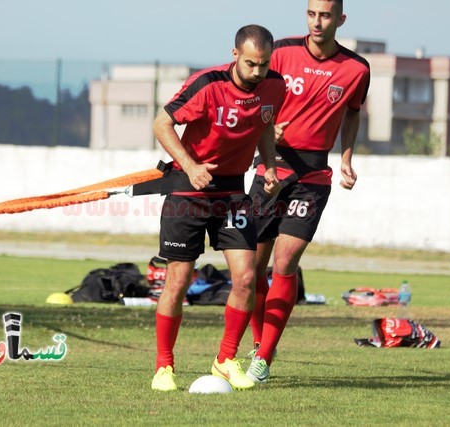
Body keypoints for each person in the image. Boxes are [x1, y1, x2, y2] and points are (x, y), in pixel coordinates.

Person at [150, 24, 285, 391]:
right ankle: (164, 366)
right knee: (177, 281)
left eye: (264, 64)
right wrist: (191, 166)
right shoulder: (207, 85)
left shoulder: (275, 85)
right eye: (251, 64)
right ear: (234, 55)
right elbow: (161, 123)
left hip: (232, 193)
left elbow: (263, 128)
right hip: (188, 191)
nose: (258, 72)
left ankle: (225, 359)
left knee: (246, 277)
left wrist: (268, 166)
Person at [245, 0, 371, 384]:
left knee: (286, 261)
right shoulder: (279, 52)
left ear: (340, 19)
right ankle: (259, 342)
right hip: (271, 166)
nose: (318, 22)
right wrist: (265, 128)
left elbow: (353, 111)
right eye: (312, 14)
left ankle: (263, 359)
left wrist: (346, 156)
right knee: (251, 269)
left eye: (326, 15)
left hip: (314, 174)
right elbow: (250, 96)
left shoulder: (356, 69)